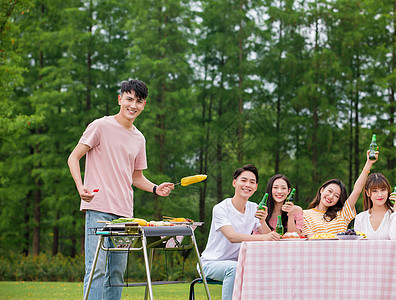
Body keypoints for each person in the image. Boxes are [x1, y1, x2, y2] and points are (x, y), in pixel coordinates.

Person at [67, 79, 174, 300]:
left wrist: (155, 188)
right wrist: (80, 186)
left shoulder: (139, 138)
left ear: (144, 104)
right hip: (98, 209)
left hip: (125, 214)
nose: (133, 105)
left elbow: (136, 177)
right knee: (96, 269)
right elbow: (73, 157)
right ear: (120, 99)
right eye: (129, 99)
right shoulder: (100, 126)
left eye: (139, 101)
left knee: (116, 273)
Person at [200, 164, 280, 300]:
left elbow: (268, 236)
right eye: (244, 180)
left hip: (240, 263)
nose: (247, 184)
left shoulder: (254, 208)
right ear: (234, 183)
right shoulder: (221, 208)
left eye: (252, 182)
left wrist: (262, 221)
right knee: (234, 268)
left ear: (255, 187)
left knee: (265, 269)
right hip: (210, 264)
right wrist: (264, 237)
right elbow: (231, 236)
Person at [302, 150, 378, 238]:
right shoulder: (305, 214)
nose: (331, 197)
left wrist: (368, 163)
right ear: (322, 190)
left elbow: (357, 190)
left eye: (336, 196)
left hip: (340, 251)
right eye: (329, 191)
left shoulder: (342, 214)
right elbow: (309, 239)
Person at [354, 173, 396, 239]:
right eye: (375, 191)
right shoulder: (360, 218)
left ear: (388, 190)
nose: (380, 195)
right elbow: (357, 245)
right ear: (367, 193)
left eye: (383, 190)